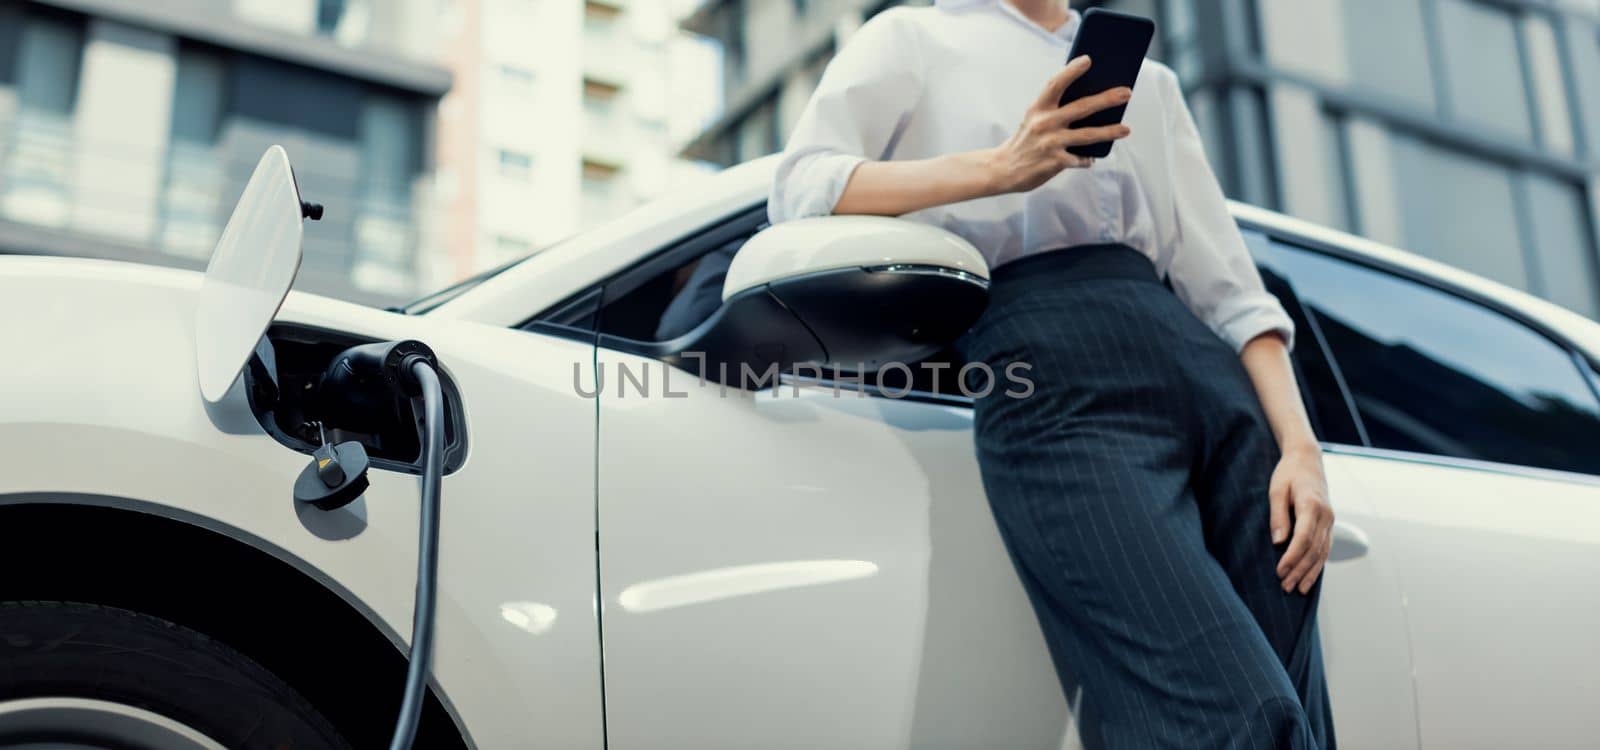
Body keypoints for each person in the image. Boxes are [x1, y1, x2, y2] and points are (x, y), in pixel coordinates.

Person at [768, 1, 1337, 747]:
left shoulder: (1153, 86)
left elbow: (1232, 292)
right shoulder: (914, 38)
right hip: (1053, 380)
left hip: (1221, 404)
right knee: (1237, 721)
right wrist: (1002, 167)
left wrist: (1301, 448)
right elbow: (799, 190)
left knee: (1294, 723)